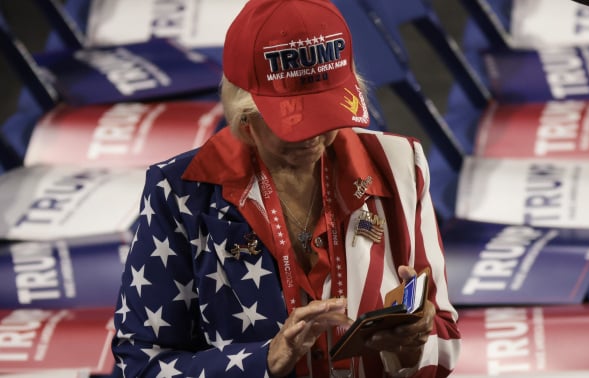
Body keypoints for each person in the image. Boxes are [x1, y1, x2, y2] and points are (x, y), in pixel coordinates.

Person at [111, 0, 461, 376]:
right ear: (242, 112)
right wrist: (264, 361)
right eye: (295, 119)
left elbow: (446, 336)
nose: (315, 135)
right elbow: (140, 365)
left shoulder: (400, 164)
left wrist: (415, 341)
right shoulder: (180, 193)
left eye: (326, 113)